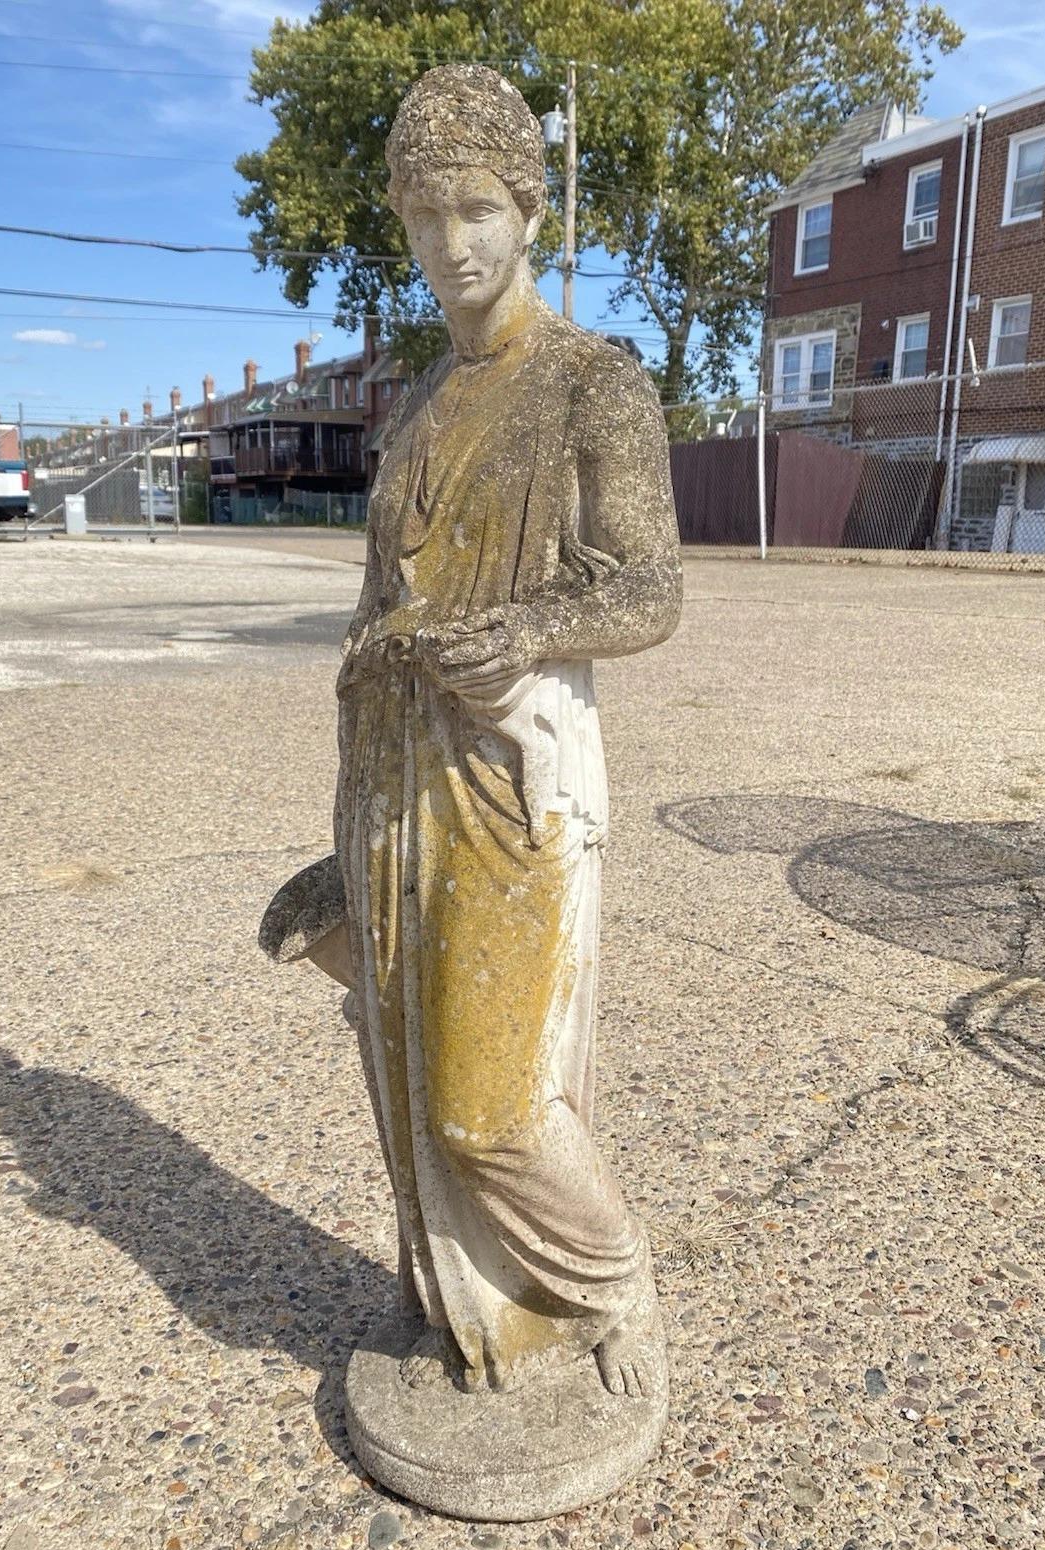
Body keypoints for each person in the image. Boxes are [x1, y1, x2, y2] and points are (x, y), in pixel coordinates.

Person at [334, 63, 682, 1399]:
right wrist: (345, 829)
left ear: (529, 211)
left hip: (513, 782)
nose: (453, 244)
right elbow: (373, 617)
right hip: (394, 780)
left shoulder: (592, 383)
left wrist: (529, 631)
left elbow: (650, 591)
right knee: (416, 1081)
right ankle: (484, 1315)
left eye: (477, 207)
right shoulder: (417, 406)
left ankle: (612, 1288)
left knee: (489, 1107)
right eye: (425, 216)